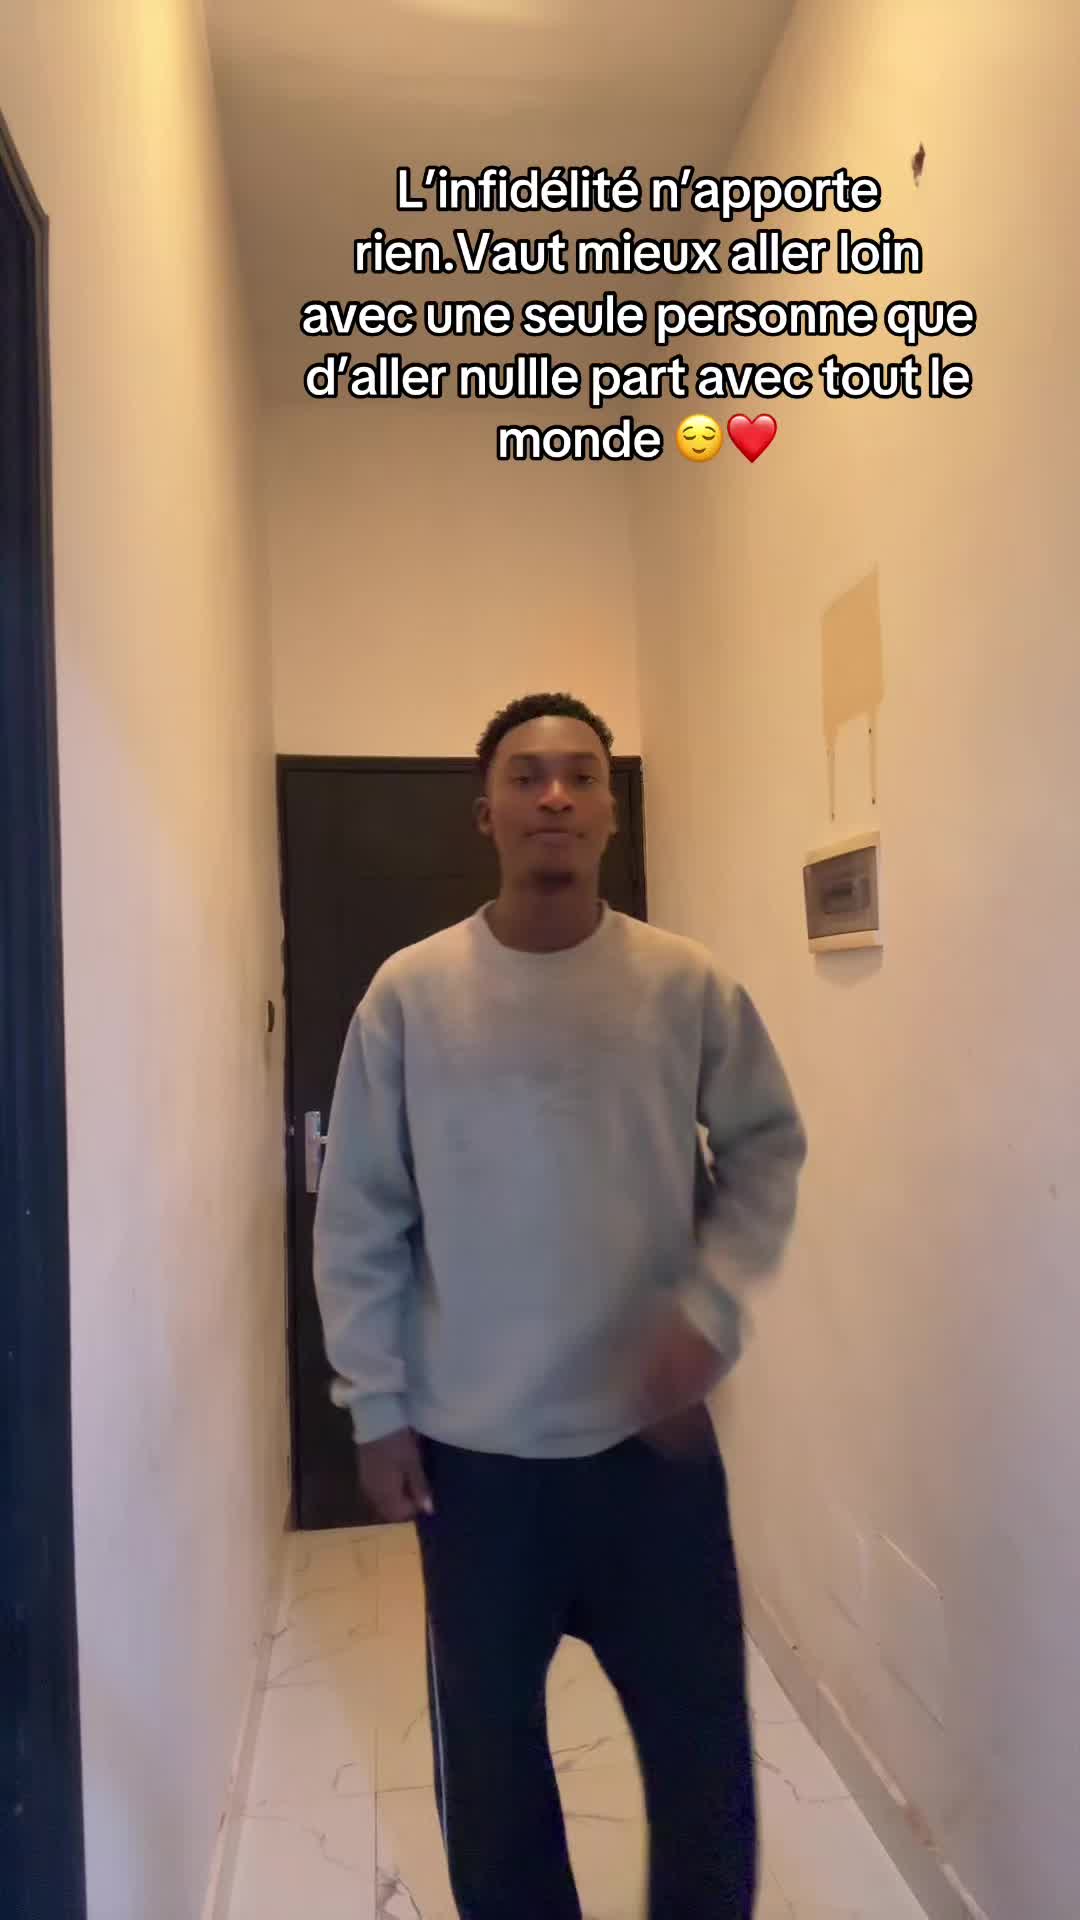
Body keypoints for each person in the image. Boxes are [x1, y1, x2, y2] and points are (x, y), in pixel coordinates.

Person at [313, 692, 807, 1920]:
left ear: (610, 811)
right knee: (490, 1770)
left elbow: (766, 1149)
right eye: (526, 776)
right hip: (475, 1461)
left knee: (700, 1756)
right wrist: (376, 1405)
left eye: (581, 775)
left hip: (652, 1454)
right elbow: (361, 1211)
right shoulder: (410, 995)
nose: (555, 796)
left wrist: (711, 1309)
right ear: (484, 812)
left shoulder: (685, 985)